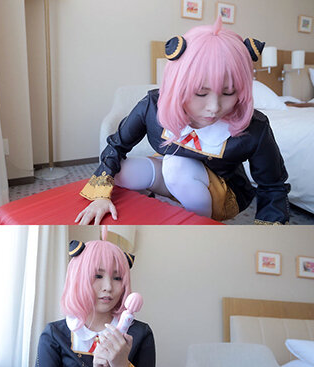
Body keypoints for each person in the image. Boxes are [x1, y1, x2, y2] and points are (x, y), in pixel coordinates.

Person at [75, 17, 289, 225]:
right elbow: (117, 145)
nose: (214, 107)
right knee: (121, 173)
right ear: (177, 85)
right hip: (172, 172)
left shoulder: (255, 128)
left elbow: (273, 185)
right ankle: (154, 206)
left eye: (229, 92)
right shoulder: (153, 106)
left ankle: (199, 224)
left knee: (176, 166)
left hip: (224, 192)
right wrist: (100, 197)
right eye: (201, 93)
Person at [34, 233, 182, 367]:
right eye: (98, 276)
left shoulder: (140, 333)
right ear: (77, 277)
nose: (108, 287)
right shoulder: (55, 335)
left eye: (117, 278)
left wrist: (122, 366)